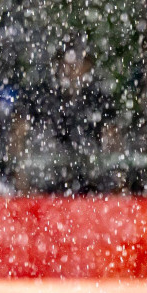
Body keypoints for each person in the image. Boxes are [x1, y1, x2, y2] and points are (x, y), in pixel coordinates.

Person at [9, 46, 124, 195]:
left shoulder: (98, 100)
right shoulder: (42, 97)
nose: (72, 69)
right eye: (68, 63)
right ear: (57, 65)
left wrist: (118, 179)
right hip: (47, 184)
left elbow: (113, 138)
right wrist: (22, 178)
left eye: (77, 63)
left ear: (88, 67)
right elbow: (18, 132)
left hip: (88, 184)